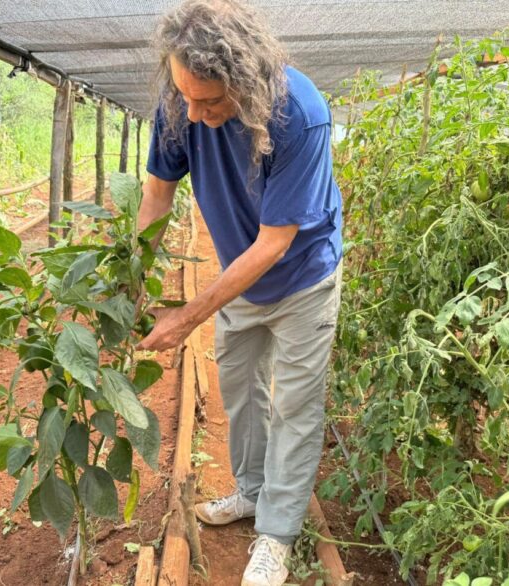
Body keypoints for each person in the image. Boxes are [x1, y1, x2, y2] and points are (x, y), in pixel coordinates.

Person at [136, 1, 343, 584]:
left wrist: (187, 317)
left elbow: (275, 243)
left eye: (210, 101)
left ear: (247, 81)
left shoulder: (300, 114)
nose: (193, 113)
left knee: (295, 405)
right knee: (240, 390)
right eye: (186, 96)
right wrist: (133, 278)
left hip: (302, 275)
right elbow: (156, 196)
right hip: (239, 275)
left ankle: (276, 534)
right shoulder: (181, 103)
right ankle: (251, 493)